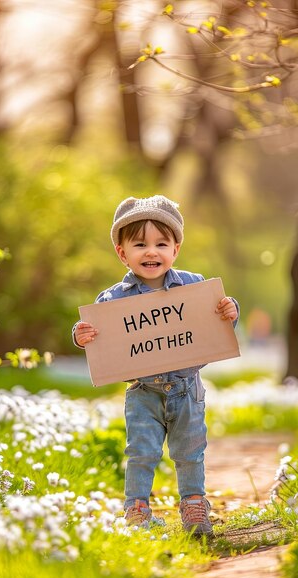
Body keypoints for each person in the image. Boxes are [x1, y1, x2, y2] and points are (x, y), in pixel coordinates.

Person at [73, 195, 239, 536]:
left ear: (175, 249)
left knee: (190, 451)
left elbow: (216, 319)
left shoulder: (194, 286)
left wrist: (229, 311)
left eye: (161, 244)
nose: (152, 252)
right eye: (140, 244)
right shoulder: (112, 300)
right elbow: (98, 337)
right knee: (141, 452)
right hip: (143, 392)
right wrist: (81, 335)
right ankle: (137, 509)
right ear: (122, 252)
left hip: (186, 390)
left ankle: (194, 505)